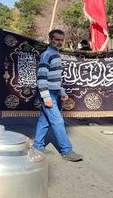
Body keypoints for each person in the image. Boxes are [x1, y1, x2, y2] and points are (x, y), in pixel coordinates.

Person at [33, 29, 83, 162]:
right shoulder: (47, 54)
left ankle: (37, 146)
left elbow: (56, 78)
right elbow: (41, 77)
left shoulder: (56, 54)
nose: (60, 42)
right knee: (58, 121)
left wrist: (62, 92)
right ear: (51, 40)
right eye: (57, 40)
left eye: (62, 40)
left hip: (54, 92)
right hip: (48, 93)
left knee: (44, 121)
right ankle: (66, 151)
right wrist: (46, 97)